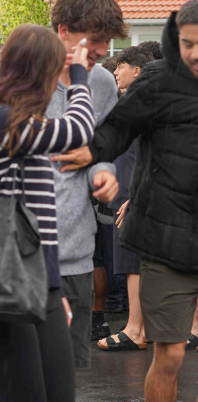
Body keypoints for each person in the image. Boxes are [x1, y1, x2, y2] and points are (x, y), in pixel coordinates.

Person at [0, 0, 125, 378]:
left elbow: (96, 146)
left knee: (58, 374)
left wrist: (103, 171)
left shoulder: (103, 85)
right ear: (63, 31)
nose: (101, 52)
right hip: (13, 256)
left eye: (107, 43)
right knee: (15, 375)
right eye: (94, 40)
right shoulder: (9, 83)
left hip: (73, 253)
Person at [53, 0, 198, 401]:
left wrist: (100, 165)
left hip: (85, 247)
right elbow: (116, 131)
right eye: (189, 42)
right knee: (168, 356)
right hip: (167, 239)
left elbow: (107, 139)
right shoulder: (156, 80)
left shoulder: (100, 82)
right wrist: (95, 156)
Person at [0, 24, 93, 401]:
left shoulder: (27, 127)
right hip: (0, 288)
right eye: (54, 72)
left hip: (42, 285)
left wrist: (54, 287)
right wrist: (80, 75)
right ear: (36, 74)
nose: (58, 83)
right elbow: (79, 129)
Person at [95, 46, 155, 350]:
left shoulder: (143, 104)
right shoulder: (138, 102)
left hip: (135, 193)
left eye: (122, 66)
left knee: (134, 263)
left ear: (138, 71)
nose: (116, 71)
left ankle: (135, 330)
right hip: (131, 191)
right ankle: (139, 327)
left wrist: (137, 195)